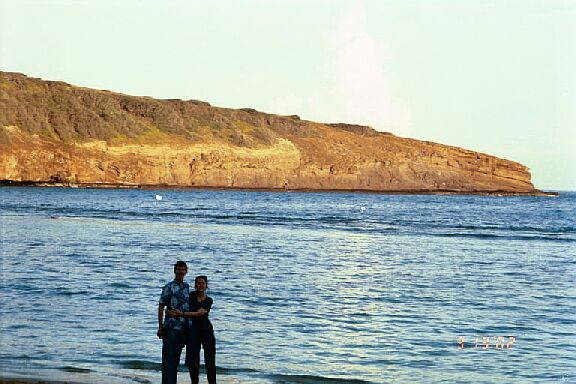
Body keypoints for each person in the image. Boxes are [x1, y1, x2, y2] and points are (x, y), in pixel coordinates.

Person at [168, 275, 216, 384]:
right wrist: (170, 311)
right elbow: (179, 303)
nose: (200, 285)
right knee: (193, 361)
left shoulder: (208, 300)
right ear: (195, 285)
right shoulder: (190, 297)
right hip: (192, 331)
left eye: (203, 283)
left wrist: (182, 314)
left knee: (210, 361)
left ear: (206, 286)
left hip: (207, 331)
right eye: (198, 283)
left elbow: (201, 313)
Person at [157, 260, 190, 384]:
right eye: (178, 269)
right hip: (170, 327)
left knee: (176, 360)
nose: (181, 271)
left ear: (186, 271)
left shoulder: (186, 287)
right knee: (167, 360)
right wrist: (160, 327)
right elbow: (161, 306)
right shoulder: (168, 287)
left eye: (183, 269)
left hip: (183, 328)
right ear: (174, 271)